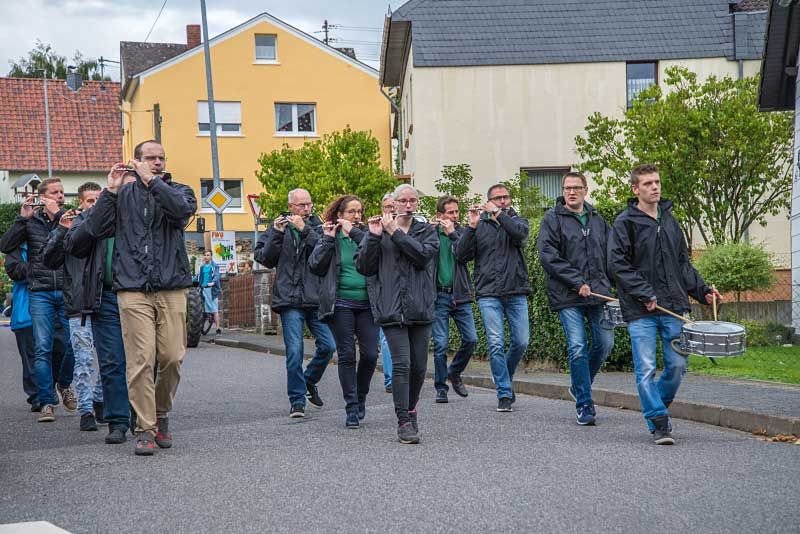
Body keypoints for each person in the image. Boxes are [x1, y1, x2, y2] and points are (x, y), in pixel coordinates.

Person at [78, 140, 196, 455]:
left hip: (171, 286)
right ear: (136, 160)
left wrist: (153, 182)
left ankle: (161, 412)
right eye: (149, 158)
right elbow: (94, 228)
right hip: (131, 288)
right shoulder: (122, 196)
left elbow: (181, 213)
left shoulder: (179, 190)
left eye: (160, 158)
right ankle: (145, 428)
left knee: (171, 357)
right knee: (141, 361)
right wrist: (111, 190)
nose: (156, 162)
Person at [608, 164, 721, 445]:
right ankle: (659, 422)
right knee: (645, 368)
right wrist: (644, 293)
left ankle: (655, 407)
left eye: (657, 182)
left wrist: (702, 290)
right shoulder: (625, 222)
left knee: (677, 367)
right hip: (640, 311)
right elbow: (617, 265)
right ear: (635, 189)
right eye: (647, 183)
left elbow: (682, 263)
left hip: (674, 307)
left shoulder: (670, 221)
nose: (655, 187)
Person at [355, 184, 438, 444]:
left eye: (413, 200)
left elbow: (422, 257)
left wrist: (396, 234)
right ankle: (403, 421)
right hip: (391, 308)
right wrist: (374, 236)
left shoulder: (427, 231)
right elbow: (365, 267)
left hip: (420, 307)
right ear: (393, 204)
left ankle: (411, 408)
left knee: (419, 367)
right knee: (402, 365)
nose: (408, 205)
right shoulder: (380, 232)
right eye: (403, 201)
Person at [538, 172, 614, 426]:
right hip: (567, 295)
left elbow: (609, 256)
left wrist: (615, 286)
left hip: (597, 294)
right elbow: (548, 256)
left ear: (585, 190)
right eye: (567, 188)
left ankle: (579, 385)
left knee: (605, 343)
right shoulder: (552, 219)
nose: (571, 192)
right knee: (578, 346)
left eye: (576, 188)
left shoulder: (597, 219)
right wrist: (576, 282)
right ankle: (584, 402)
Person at [254, 188, 336, 418]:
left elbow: (325, 250)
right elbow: (264, 258)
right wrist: (277, 234)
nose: (306, 209)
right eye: (301, 205)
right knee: (295, 351)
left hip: (314, 298)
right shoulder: (278, 226)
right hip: (289, 300)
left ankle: (309, 380)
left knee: (329, 346)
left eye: (309, 204)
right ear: (291, 206)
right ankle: (297, 401)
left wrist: (305, 229)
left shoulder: (319, 226)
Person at [0, 178, 77, 422]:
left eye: (62, 192)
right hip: (40, 291)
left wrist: (60, 217)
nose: (61, 196)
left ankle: (63, 384)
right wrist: (22, 218)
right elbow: (6, 245)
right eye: (55, 192)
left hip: (67, 289)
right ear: (43, 197)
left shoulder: (71, 217)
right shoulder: (31, 222)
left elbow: (81, 241)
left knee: (70, 344)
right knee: (42, 347)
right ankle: (46, 401)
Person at [456, 184, 530, 413]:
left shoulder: (518, 221)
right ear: (489, 201)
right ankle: (504, 393)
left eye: (506, 197)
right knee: (496, 343)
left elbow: (519, 236)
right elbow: (460, 255)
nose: (503, 201)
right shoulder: (480, 225)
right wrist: (470, 227)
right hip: (488, 293)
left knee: (521, 341)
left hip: (516, 290)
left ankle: (504, 379)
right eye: (497, 198)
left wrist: (499, 215)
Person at [309, 195, 378, 428]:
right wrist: (328, 239)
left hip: (368, 303)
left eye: (360, 212)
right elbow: (316, 266)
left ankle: (361, 396)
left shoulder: (368, 235)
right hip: (341, 303)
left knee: (370, 355)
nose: (357, 216)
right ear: (340, 215)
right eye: (351, 212)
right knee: (347, 355)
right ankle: (351, 406)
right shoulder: (329, 236)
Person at [43, 181, 106, 431]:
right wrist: (61, 231)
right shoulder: (71, 225)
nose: (94, 205)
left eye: (98, 200)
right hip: (78, 304)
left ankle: (100, 400)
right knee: (83, 359)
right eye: (90, 201)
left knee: (109, 358)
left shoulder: (107, 224)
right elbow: (49, 260)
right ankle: (86, 410)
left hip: (105, 303)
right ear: (80, 202)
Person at [430, 195, 476, 404]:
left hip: (460, 294)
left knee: (471, 339)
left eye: (457, 212)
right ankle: (441, 387)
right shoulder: (430, 234)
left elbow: (465, 255)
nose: (455, 216)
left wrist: (454, 234)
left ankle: (454, 372)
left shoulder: (463, 233)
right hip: (438, 295)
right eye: (451, 213)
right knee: (440, 344)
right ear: (440, 215)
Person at [5, 244, 38, 411]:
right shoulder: (17, 246)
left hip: (55, 307)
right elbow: (15, 272)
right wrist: (41, 266)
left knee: (59, 350)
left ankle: (53, 386)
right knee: (30, 356)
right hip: (25, 310)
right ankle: (37, 395)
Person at [378, 193, 394, 393]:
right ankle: (391, 379)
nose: (391, 210)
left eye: (393, 206)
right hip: (382, 290)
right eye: (387, 207)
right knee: (385, 337)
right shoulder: (375, 229)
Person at [199, 250, 221, 335]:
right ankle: (201, 328)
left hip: (211, 290)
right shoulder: (202, 267)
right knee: (203, 310)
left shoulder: (214, 266)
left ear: (211, 256)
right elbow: (200, 277)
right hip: (203, 289)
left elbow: (217, 275)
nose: (206, 257)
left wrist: (213, 282)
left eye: (208, 255)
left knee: (214, 310)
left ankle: (218, 329)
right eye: (205, 255)